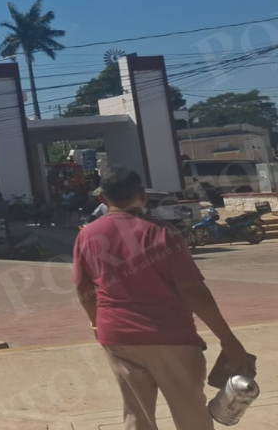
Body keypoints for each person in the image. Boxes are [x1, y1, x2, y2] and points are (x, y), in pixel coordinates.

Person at [73, 166, 255, 430]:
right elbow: (193, 292)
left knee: (137, 416)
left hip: (118, 337)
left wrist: (96, 324)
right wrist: (228, 339)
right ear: (142, 196)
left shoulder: (86, 236)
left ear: (103, 199)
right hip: (171, 337)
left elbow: (83, 290)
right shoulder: (163, 233)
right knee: (191, 413)